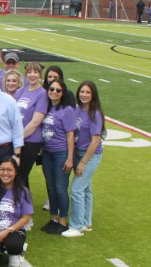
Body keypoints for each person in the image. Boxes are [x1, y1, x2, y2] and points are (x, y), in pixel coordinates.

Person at [65, 81, 105, 237]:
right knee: (86, 188)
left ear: (93, 95)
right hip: (78, 153)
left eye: (88, 92)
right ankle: (86, 221)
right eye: (82, 91)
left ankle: (77, 225)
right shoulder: (76, 110)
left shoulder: (94, 113)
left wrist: (83, 162)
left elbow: (95, 141)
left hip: (90, 155)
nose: (84, 95)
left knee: (76, 189)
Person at [40, 79, 76, 235]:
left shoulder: (67, 110)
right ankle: (53, 218)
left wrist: (70, 158)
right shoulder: (46, 107)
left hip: (61, 153)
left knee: (61, 188)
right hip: (47, 153)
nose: (54, 92)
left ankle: (63, 221)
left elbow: (70, 134)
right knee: (51, 187)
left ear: (63, 93)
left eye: (58, 90)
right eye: (52, 89)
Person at [15, 62, 48, 189]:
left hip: (31, 141)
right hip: (18, 140)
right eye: (29, 72)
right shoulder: (20, 91)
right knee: (19, 176)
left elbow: (35, 122)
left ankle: (21, 206)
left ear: (40, 74)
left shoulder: (42, 94)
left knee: (20, 176)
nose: (32, 75)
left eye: (35, 72)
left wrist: (18, 138)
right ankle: (26, 206)